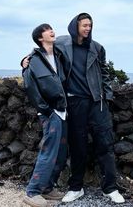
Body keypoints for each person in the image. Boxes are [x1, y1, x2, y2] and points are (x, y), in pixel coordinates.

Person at [22, 13, 125, 204]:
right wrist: (25, 60)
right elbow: (41, 53)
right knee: (77, 146)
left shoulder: (97, 48)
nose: (88, 28)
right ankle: (76, 187)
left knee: (105, 144)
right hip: (74, 103)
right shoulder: (62, 43)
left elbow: (104, 73)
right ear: (75, 26)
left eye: (90, 25)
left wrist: (107, 96)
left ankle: (110, 188)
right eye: (84, 25)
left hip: (97, 102)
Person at [22, 23, 67, 207]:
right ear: (40, 37)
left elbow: (69, 39)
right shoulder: (33, 60)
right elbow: (30, 88)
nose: (52, 31)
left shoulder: (58, 54)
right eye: (47, 30)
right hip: (50, 112)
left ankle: (47, 187)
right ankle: (32, 192)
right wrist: (46, 110)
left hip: (63, 110)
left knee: (62, 152)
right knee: (48, 151)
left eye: (52, 28)